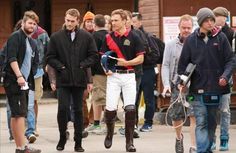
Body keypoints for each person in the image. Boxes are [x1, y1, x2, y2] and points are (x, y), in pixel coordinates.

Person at [177, 8, 234, 153]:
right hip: (197, 89)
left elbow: (231, 60)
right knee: (201, 121)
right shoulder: (191, 40)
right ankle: (202, 151)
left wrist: (225, 76)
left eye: (212, 20)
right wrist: (181, 81)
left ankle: (207, 149)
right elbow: (183, 65)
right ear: (200, 22)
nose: (210, 23)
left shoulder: (221, 38)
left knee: (211, 123)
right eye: (206, 20)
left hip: (217, 89)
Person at [46, 8, 98, 152]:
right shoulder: (56, 37)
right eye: (67, 20)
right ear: (65, 19)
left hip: (79, 80)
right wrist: (61, 67)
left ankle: (78, 142)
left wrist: (83, 66)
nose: (69, 23)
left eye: (72, 21)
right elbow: (50, 57)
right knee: (62, 109)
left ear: (77, 21)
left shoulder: (86, 37)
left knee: (78, 110)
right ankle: (62, 137)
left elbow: (93, 56)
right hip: (63, 79)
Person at [101, 9, 144, 152]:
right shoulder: (108, 38)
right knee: (110, 109)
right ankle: (109, 133)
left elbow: (141, 58)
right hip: (113, 76)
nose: (113, 23)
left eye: (116, 20)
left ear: (125, 21)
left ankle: (129, 142)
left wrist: (125, 63)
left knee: (130, 109)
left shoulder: (135, 36)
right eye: (112, 20)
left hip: (129, 75)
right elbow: (102, 57)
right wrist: (105, 68)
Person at [3, 10, 41, 153]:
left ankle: (20, 147)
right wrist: (19, 76)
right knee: (18, 114)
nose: (32, 26)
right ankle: (22, 147)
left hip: (25, 83)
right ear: (23, 23)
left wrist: (28, 81)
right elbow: (11, 58)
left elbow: (34, 62)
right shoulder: (15, 37)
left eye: (35, 24)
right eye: (30, 23)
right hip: (14, 81)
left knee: (18, 114)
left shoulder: (31, 42)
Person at [161, 14, 196, 153]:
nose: (186, 30)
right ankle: (178, 138)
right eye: (184, 27)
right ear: (179, 27)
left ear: (192, 28)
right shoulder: (170, 45)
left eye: (189, 28)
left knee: (194, 115)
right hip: (177, 86)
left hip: (194, 85)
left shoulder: (197, 44)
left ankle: (193, 146)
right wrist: (166, 84)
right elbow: (165, 65)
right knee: (177, 116)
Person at [212, 7, 235, 151]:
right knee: (212, 110)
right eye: (215, 17)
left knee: (225, 110)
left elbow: (233, 57)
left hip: (226, 76)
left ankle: (224, 139)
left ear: (225, 18)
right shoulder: (210, 32)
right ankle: (212, 140)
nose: (216, 19)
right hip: (211, 77)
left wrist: (227, 74)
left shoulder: (231, 33)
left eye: (219, 17)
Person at [131, 12, 157, 132]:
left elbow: (156, 54)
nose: (132, 24)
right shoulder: (130, 36)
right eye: (131, 21)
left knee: (148, 98)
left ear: (140, 22)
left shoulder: (148, 36)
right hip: (135, 71)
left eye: (134, 21)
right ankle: (133, 124)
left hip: (147, 70)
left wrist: (144, 58)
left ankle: (148, 123)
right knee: (133, 99)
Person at [86, 14, 108, 135]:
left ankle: (104, 124)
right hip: (108, 71)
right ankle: (97, 123)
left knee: (101, 98)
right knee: (97, 98)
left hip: (98, 72)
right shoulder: (110, 35)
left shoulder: (94, 36)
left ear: (94, 24)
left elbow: (93, 55)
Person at [81, 11, 95, 129]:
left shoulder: (97, 34)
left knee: (95, 98)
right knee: (83, 97)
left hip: (96, 70)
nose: (90, 24)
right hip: (84, 69)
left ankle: (92, 120)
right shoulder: (81, 34)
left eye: (92, 21)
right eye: (88, 21)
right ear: (84, 22)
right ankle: (84, 121)